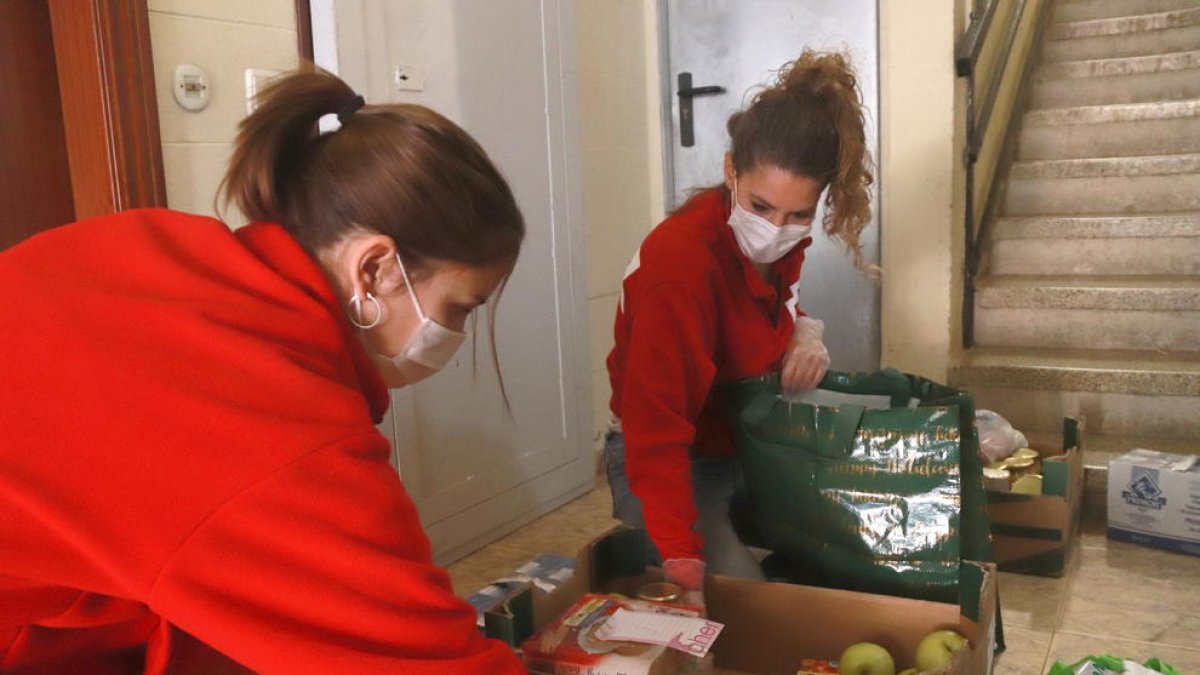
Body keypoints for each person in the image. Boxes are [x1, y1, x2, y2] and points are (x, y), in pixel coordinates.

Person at [0, 67, 528, 673]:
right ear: (375, 270)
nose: (455, 338)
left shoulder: (160, 248)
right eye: (458, 308)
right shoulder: (272, 425)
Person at [604, 50, 874, 607]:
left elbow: (773, 309)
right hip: (666, 458)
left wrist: (804, 331)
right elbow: (656, 434)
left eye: (799, 215)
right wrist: (681, 559)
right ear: (730, 171)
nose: (776, 229)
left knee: (847, 548)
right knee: (750, 609)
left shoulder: (779, 245)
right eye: (761, 206)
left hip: (739, 440)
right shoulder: (679, 272)